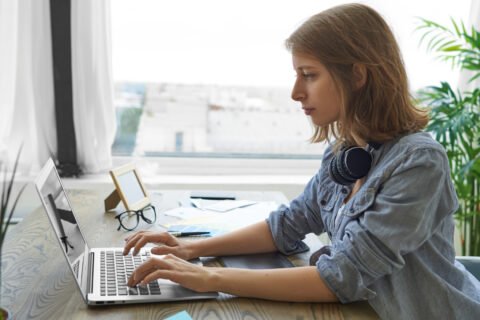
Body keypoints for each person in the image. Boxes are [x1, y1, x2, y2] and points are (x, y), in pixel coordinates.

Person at [123, 3, 480, 319]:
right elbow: (289, 223)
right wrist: (192, 248)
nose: (296, 92)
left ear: (357, 76)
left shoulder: (419, 163)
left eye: (309, 75)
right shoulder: (345, 152)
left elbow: (342, 275)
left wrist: (209, 278)